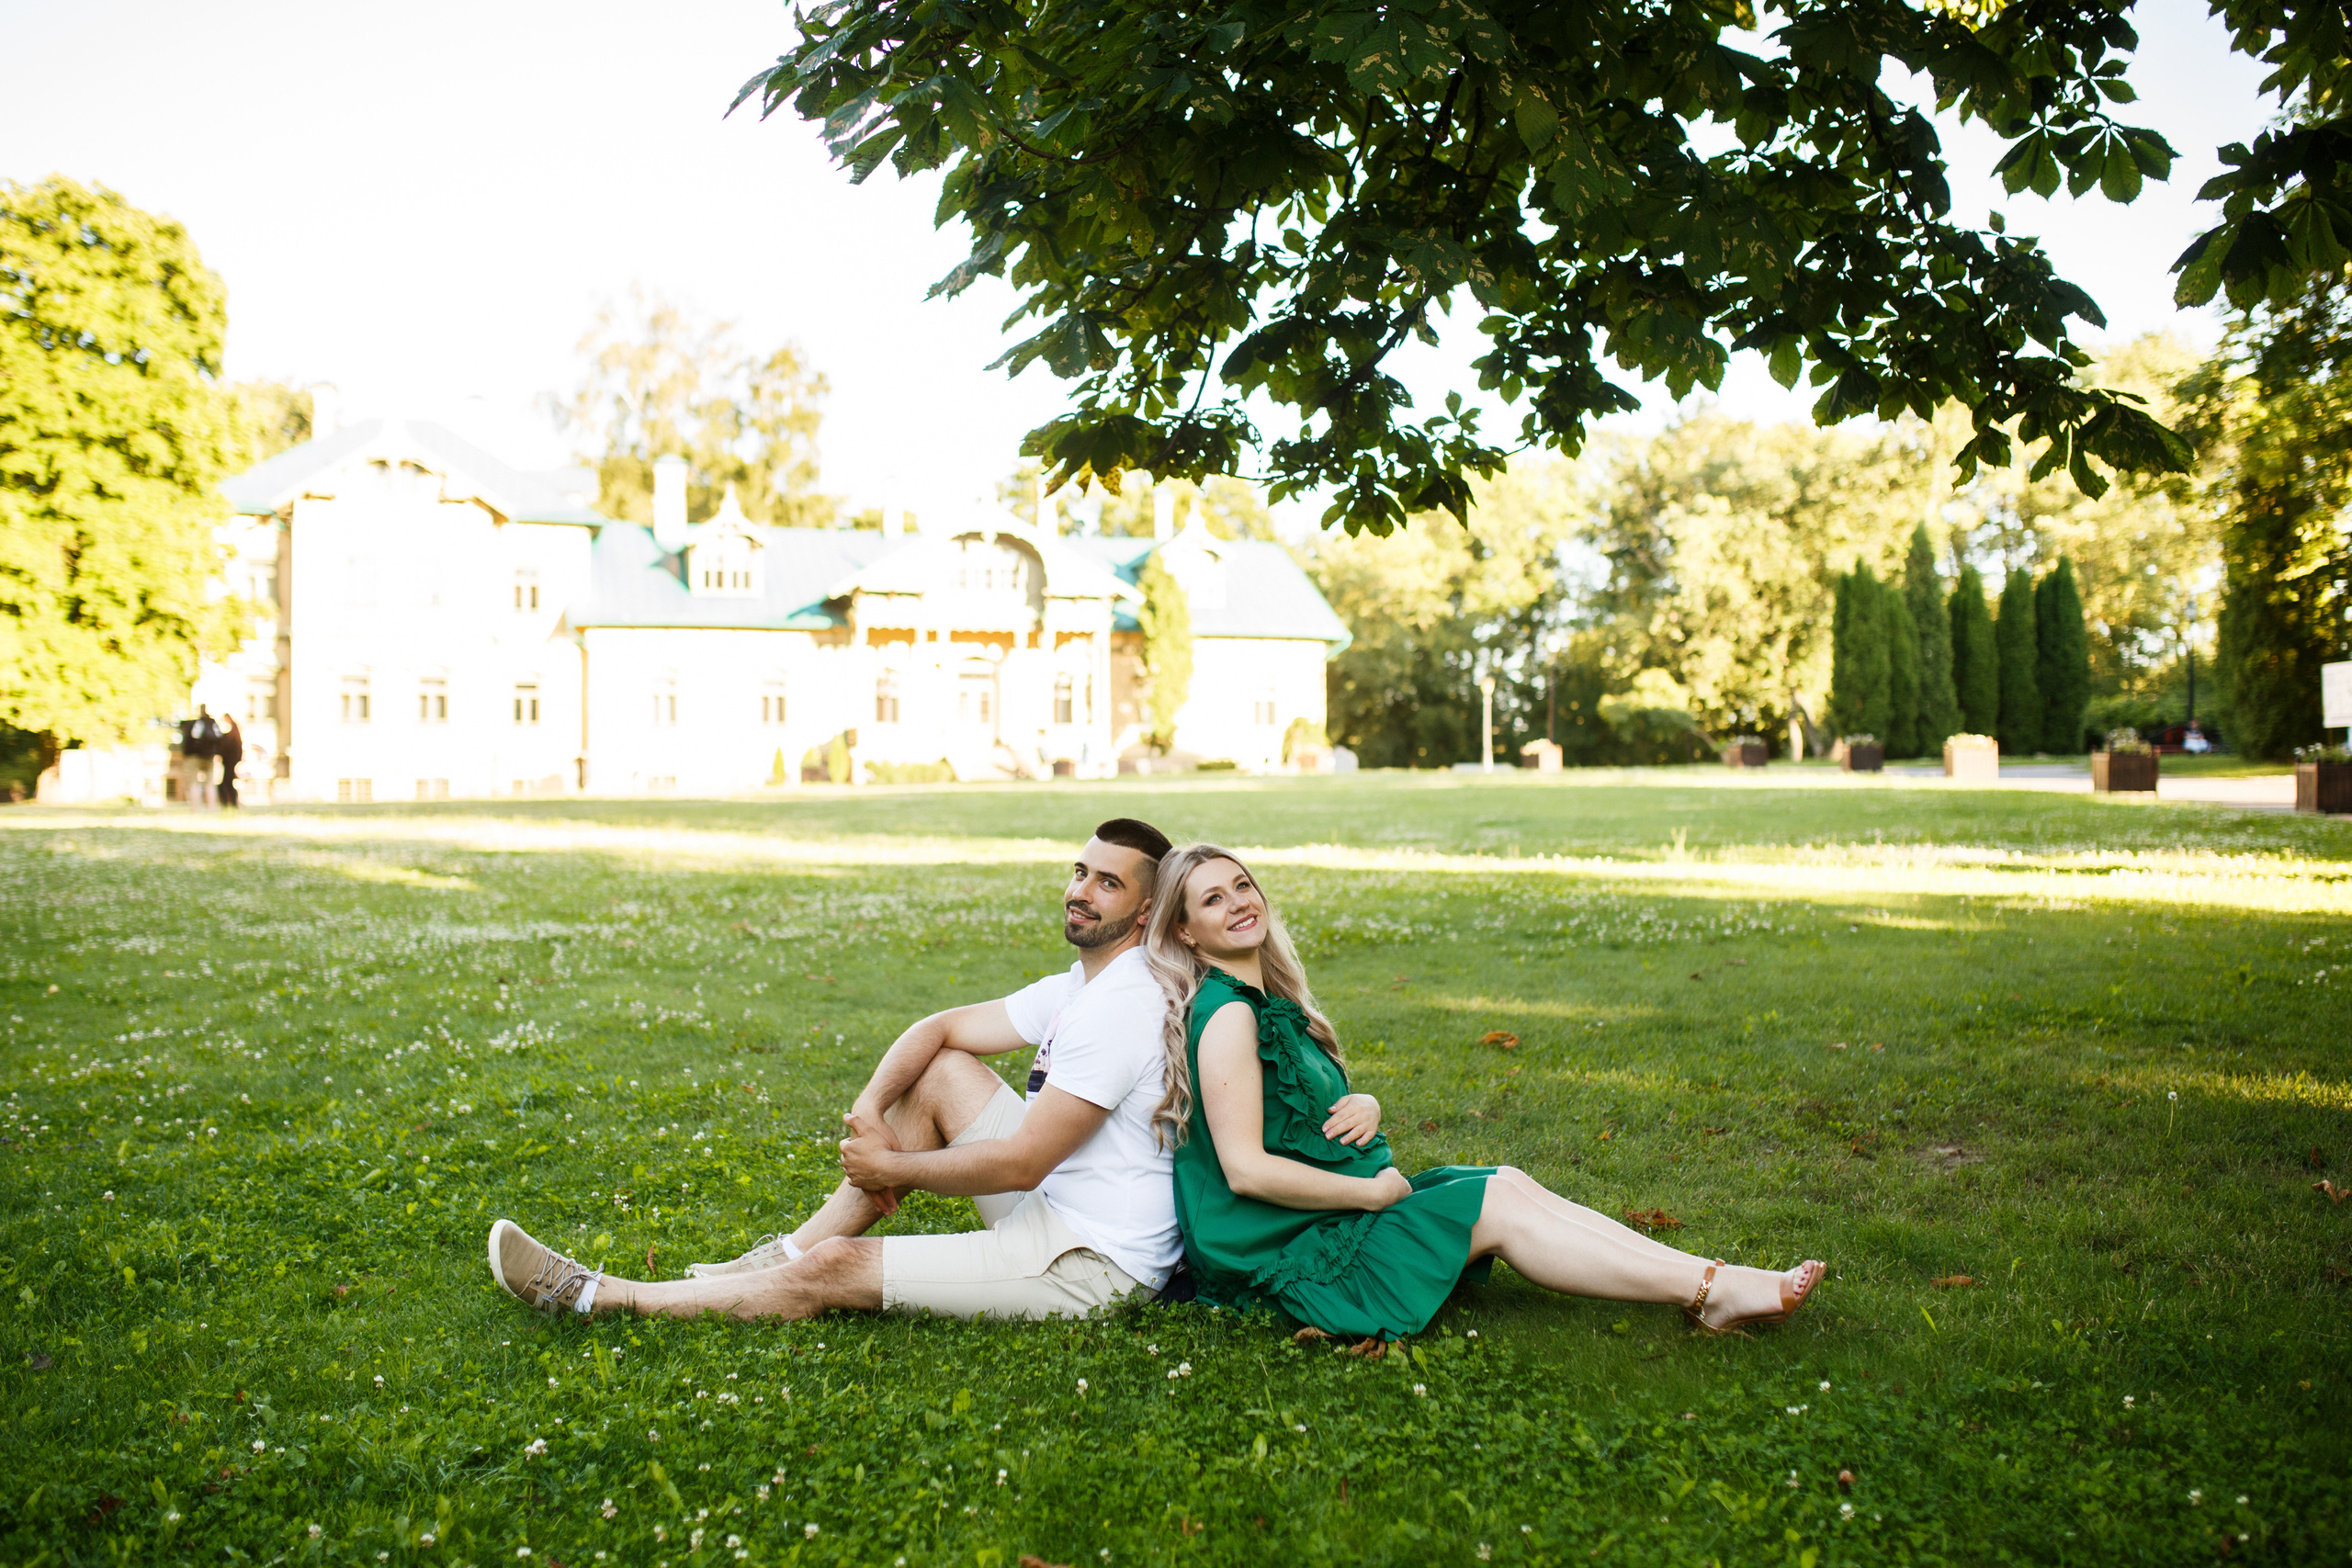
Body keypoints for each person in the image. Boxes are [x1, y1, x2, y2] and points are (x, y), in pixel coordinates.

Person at [486, 818, 1184, 1324]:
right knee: (941, 1071)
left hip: (1093, 1261)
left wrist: (894, 1169)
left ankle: (596, 1295)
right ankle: (779, 1256)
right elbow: (938, 1029)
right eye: (1079, 871)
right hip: (1056, 1205)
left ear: (1146, 909)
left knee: (834, 1270)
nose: (1081, 890)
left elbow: (1022, 1164)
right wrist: (871, 1109)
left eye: (1108, 883)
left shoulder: (1122, 1005)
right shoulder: (1081, 982)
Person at [1148, 842, 1825, 1342]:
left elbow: (1292, 1110)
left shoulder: (1263, 999)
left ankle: (1711, 1279)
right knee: (1496, 1203)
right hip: (1278, 1253)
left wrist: (1368, 1105)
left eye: (1241, 884)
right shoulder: (1230, 1013)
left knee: (1509, 1179)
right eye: (1213, 898)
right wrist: (1371, 1191)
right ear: (1184, 930)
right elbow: (1243, 1166)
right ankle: (1713, 1289)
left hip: (1318, 1221)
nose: (1239, 902)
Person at [216, 715, 245, 808]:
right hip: (228, 762)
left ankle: (230, 803)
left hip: (230, 762)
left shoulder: (231, 735)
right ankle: (231, 803)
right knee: (227, 783)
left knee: (226, 783)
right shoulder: (232, 734)